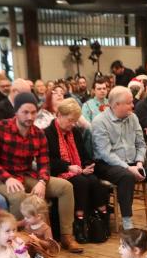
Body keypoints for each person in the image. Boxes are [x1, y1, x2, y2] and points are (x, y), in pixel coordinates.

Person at [0, 91, 83, 253]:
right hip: (2, 178)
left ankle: (66, 236)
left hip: (26, 175)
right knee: (18, 196)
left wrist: (43, 182)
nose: (30, 116)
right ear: (16, 112)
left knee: (65, 187)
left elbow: (44, 163)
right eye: (25, 112)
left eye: (33, 112)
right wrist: (8, 178)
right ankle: (21, 243)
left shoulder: (38, 134)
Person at [90, 86, 147, 233]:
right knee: (126, 176)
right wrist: (128, 167)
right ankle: (127, 223)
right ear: (116, 105)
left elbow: (141, 143)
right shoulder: (100, 122)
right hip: (107, 164)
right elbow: (105, 153)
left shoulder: (133, 117)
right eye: (129, 103)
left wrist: (139, 162)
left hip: (133, 160)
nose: (133, 105)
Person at [44, 98, 110, 242]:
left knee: (95, 182)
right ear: (59, 115)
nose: (73, 124)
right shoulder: (48, 134)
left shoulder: (75, 132)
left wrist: (87, 165)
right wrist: (68, 167)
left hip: (77, 170)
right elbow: (49, 161)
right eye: (70, 120)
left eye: (75, 121)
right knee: (81, 183)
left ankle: (99, 222)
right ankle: (78, 226)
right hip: (59, 172)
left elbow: (84, 155)